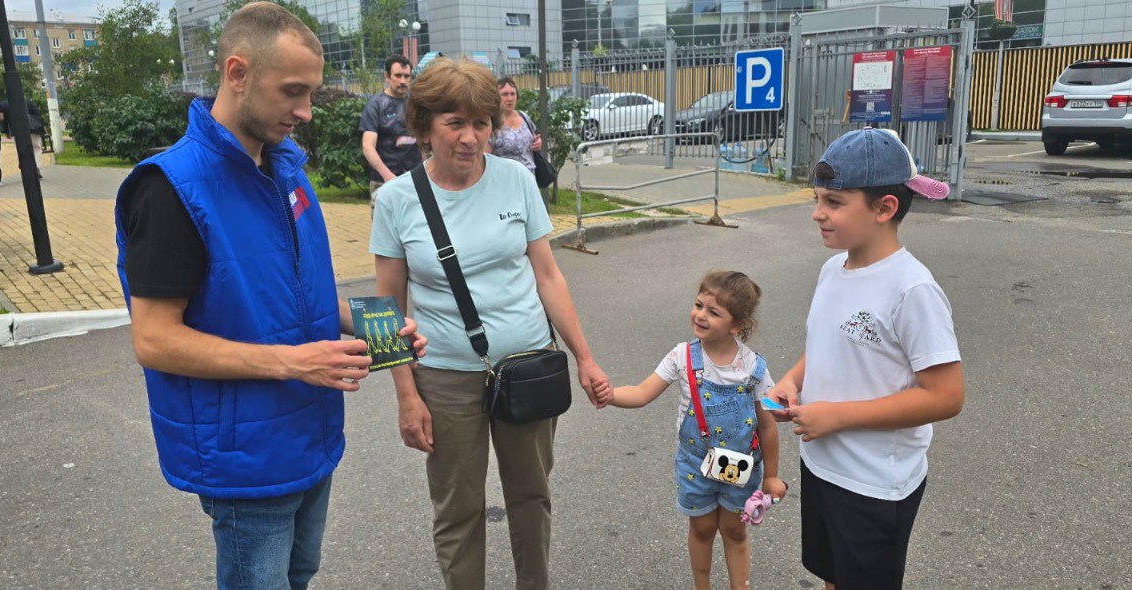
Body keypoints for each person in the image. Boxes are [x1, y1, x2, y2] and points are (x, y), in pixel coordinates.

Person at [113, 3, 427, 589]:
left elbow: (302, 298)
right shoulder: (171, 189)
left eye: (311, 92)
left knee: (299, 574)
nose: (305, 111)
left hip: (310, 434)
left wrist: (379, 328)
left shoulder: (287, 171)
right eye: (292, 92)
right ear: (237, 73)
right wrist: (295, 362)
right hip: (245, 457)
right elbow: (153, 340)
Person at [370, 57, 611, 590]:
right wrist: (406, 396)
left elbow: (548, 276)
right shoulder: (395, 201)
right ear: (424, 125)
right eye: (455, 123)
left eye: (481, 123)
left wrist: (585, 357)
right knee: (457, 508)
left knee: (531, 496)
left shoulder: (516, 181)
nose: (470, 138)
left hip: (528, 365)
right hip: (445, 378)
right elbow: (385, 310)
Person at [765, 127, 965, 590]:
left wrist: (837, 416)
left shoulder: (912, 289)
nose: (817, 213)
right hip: (821, 465)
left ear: (884, 208)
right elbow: (827, 344)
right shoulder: (832, 269)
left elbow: (946, 396)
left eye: (834, 202)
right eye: (817, 199)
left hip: (873, 484)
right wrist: (793, 380)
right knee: (833, 575)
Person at [604, 270, 786, 590]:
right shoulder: (681, 356)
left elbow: (768, 424)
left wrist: (771, 476)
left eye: (713, 312)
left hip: (740, 467)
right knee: (701, 529)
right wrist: (609, 395)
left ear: (737, 325)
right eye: (699, 305)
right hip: (695, 465)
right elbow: (642, 392)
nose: (700, 315)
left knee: (734, 531)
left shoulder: (754, 368)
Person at [359, 53, 422, 216]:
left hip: (415, 181)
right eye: (398, 75)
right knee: (384, 229)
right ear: (387, 76)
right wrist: (389, 176)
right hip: (383, 182)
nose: (403, 81)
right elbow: (368, 147)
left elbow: (425, 141)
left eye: (407, 76)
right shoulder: (376, 106)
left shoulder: (416, 104)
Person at [485, 77, 541, 173]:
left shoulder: (523, 116)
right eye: (505, 94)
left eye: (512, 94)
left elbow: (535, 137)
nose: (510, 98)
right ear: (496, 97)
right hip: (505, 177)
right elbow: (485, 158)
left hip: (529, 177)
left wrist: (538, 143)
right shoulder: (492, 122)